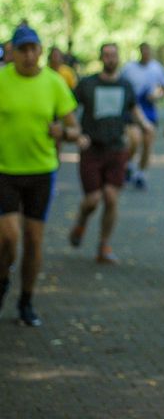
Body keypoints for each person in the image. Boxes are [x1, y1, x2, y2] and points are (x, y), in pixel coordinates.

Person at [0, 25, 81, 326]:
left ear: (41, 51)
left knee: (33, 241)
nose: (29, 55)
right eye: (22, 49)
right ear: (13, 52)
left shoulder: (54, 83)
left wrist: (64, 131)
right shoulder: (1, 79)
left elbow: (75, 129)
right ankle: (2, 282)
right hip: (4, 171)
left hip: (41, 171)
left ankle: (26, 301)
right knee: (9, 238)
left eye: (34, 49)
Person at [68, 43, 154, 265]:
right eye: (106, 55)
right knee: (93, 199)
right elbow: (68, 109)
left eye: (113, 55)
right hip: (91, 149)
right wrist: (77, 134)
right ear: (100, 58)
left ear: (118, 58)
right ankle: (81, 221)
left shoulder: (125, 85)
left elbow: (134, 108)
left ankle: (104, 245)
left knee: (111, 197)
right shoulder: (87, 84)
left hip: (116, 148)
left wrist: (145, 125)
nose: (110, 58)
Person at [120, 42, 164, 189]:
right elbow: (120, 84)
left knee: (148, 142)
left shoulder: (157, 68)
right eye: (144, 51)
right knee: (134, 140)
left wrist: (157, 96)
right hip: (132, 109)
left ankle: (141, 174)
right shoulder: (129, 68)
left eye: (149, 51)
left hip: (149, 110)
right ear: (140, 51)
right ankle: (129, 164)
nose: (146, 53)